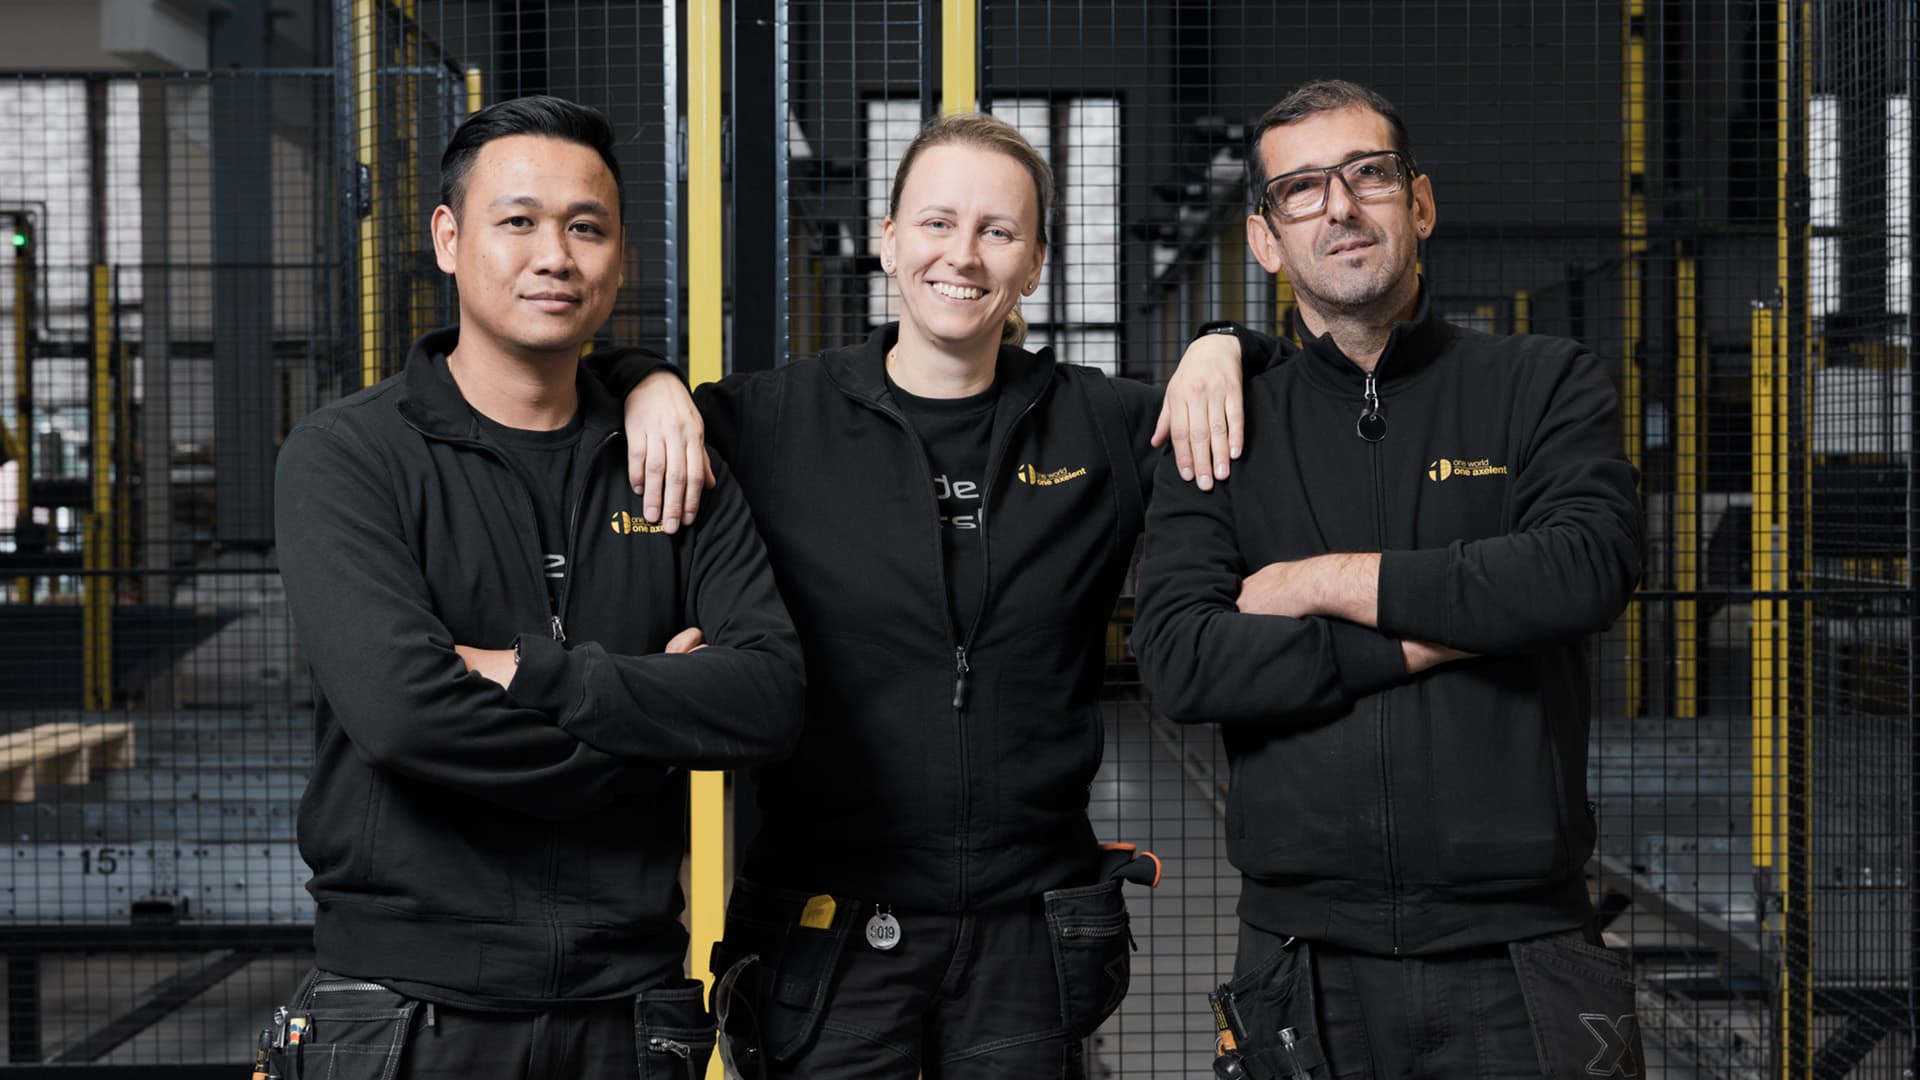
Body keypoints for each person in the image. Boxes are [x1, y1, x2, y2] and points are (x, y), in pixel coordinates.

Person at [603, 113, 1253, 1078]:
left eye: (999, 231)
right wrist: (643, 377)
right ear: (888, 238)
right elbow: (566, 400)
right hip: (825, 931)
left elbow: (1294, 403)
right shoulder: (769, 423)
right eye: (937, 222)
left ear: (1034, 263)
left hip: (1028, 933)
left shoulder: (1103, 425)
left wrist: (1228, 341)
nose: (965, 254)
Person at [270, 95, 805, 1079]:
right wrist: (657, 716)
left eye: (586, 227)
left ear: (620, 256)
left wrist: (542, 678)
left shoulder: (676, 466)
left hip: (634, 1007)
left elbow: (768, 700)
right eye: (517, 221)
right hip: (408, 1015)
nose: (554, 255)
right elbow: (405, 718)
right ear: (447, 236)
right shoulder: (349, 456)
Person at [1130, 80, 1646, 1079]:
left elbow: (1582, 572)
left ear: (1419, 205)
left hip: (1522, 954)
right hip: (1303, 963)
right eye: (1302, 188)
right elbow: (1184, 663)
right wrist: (1442, 627)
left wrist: (1320, 581)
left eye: (1368, 174)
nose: (1340, 205)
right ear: (1266, 240)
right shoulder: (1221, 432)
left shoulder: (1542, 383)